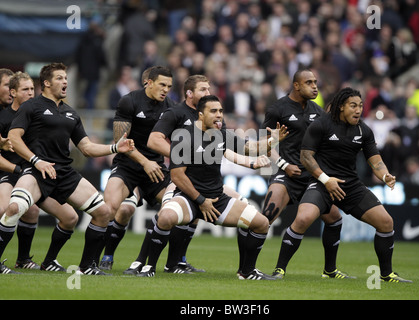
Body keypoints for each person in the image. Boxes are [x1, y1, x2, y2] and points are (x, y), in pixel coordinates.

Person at [1, 63, 135, 276]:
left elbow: (87, 148)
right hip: (37, 171)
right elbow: (15, 138)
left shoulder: (71, 113)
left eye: (65, 78)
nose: (65, 82)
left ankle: (86, 266)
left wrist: (115, 147)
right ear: (46, 83)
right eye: (59, 78)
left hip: (63, 172)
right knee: (14, 209)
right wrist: (37, 161)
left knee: (103, 212)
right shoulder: (31, 106)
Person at [137, 95, 286, 279]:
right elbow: (177, 175)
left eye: (221, 111)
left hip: (216, 199)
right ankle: (149, 267)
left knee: (262, 223)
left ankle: (247, 272)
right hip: (189, 198)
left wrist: (274, 141)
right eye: (213, 111)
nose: (219, 115)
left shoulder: (222, 134)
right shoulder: (184, 137)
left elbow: (251, 148)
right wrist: (200, 201)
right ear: (200, 114)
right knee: (165, 217)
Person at [298, 87, 411, 283]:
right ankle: (280, 270)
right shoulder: (322, 125)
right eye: (353, 106)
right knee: (303, 220)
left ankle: (386, 274)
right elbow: (306, 157)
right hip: (323, 182)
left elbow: (375, 161)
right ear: (341, 107)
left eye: (360, 106)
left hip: (350, 186)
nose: (358, 110)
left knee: (386, 223)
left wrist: (385, 176)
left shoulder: (364, 130)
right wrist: (325, 179)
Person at [252, 69, 348, 279]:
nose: (315, 86)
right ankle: (247, 269)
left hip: (312, 176)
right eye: (309, 82)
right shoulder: (278, 109)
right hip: (286, 173)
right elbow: (263, 144)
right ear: (296, 85)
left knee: (334, 218)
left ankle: (329, 270)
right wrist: (283, 164)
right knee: (265, 217)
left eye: (315, 82)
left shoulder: (318, 111)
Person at [148, 74, 243, 273]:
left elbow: (223, 146)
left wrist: (251, 160)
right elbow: (154, 141)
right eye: (203, 90)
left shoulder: (213, 116)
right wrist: (182, 156)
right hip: (178, 176)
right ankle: (143, 263)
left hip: (205, 179)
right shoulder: (175, 112)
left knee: (201, 213)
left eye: (209, 89)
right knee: (166, 217)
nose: (208, 93)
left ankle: (177, 262)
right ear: (190, 93)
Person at [0, 72, 80, 274]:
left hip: (36, 175)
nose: (30, 93)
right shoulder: (4, 117)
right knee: (7, 208)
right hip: (11, 173)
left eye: (31, 89)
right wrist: (17, 168)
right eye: (25, 90)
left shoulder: (39, 112)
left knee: (70, 217)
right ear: (13, 93)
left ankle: (35, 260)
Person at [101, 66, 175, 273]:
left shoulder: (171, 107)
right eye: (162, 84)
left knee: (176, 207)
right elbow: (119, 141)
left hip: (156, 168)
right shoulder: (129, 101)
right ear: (148, 82)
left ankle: (173, 262)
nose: (166, 89)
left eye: (169, 86)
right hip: (128, 165)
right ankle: (104, 256)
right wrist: (144, 162)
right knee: (116, 209)